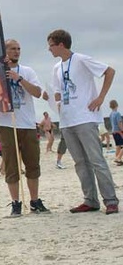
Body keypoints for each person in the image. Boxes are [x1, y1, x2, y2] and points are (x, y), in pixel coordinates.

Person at [47, 29, 118, 215]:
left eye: (51, 45)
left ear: (61, 44)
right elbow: (57, 90)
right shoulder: (56, 67)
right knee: (80, 163)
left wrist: (101, 97)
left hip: (85, 118)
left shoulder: (81, 59)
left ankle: (110, 200)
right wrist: (59, 104)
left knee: (96, 160)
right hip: (67, 121)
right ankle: (90, 200)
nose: (49, 49)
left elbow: (109, 71)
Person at [0, 39, 50, 217]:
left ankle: (34, 201)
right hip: (7, 123)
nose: (17, 51)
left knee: (33, 163)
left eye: (18, 49)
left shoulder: (27, 71)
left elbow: (37, 92)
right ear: (5, 51)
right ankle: (15, 203)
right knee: (11, 165)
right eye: (12, 49)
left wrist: (19, 79)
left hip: (27, 123)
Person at [109, 100, 123, 164]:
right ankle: (118, 158)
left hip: (113, 131)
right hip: (118, 131)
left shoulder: (111, 114)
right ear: (117, 105)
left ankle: (117, 159)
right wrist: (122, 130)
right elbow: (119, 123)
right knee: (120, 146)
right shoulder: (117, 113)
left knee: (118, 146)